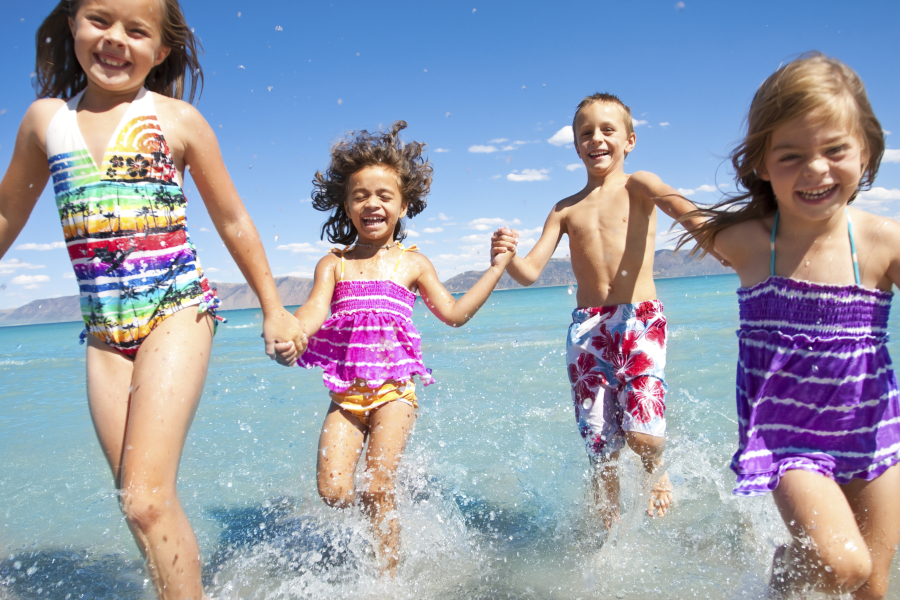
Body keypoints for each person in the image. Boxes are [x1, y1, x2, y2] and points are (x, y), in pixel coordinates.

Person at [0, 1, 303, 598]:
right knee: (139, 505)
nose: (115, 40)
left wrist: (273, 305)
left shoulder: (177, 119)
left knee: (145, 498)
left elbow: (234, 219)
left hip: (178, 309)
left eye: (136, 31)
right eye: (100, 21)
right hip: (104, 333)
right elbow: (8, 211)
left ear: (160, 51)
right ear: (73, 26)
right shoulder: (45, 122)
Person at [680, 52, 900, 599]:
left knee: (871, 587)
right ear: (760, 163)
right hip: (786, 437)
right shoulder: (754, 243)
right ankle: (782, 581)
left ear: (867, 150)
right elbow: (686, 213)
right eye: (792, 155)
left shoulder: (882, 243)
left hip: (874, 432)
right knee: (841, 564)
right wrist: (640, 186)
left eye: (835, 150)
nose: (816, 169)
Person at [275, 121, 515, 577]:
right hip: (345, 397)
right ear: (345, 204)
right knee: (334, 491)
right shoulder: (334, 264)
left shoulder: (413, 263)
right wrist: (293, 332)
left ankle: (387, 578)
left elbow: (455, 313)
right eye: (360, 195)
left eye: (385, 196)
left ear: (404, 205)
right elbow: (311, 312)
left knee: (376, 486)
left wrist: (497, 267)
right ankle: (370, 539)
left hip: (395, 394)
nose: (372, 204)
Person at [491, 93, 713, 529]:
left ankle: (656, 467)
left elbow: (685, 211)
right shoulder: (565, 208)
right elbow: (531, 271)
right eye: (586, 132)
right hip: (587, 330)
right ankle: (606, 528)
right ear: (576, 145)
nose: (597, 139)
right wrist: (507, 256)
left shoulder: (640, 185)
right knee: (600, 444)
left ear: (629, 140)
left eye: (608, 130)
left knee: (642, 434)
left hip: (639, 319)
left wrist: (724, 240)